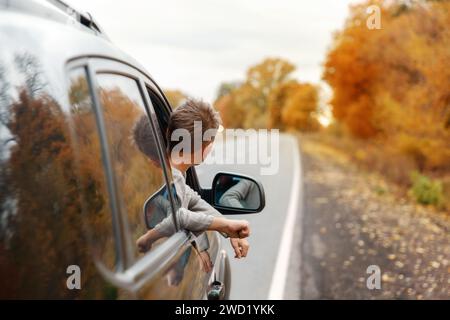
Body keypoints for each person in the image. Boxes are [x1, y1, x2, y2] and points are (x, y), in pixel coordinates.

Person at [133, 99, 250, 259]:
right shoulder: (171, 176)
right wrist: (226, 225)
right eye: (212, 141)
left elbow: (191, 199)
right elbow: (178, 216)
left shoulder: (178, 173)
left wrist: (229, 230)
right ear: (204, 147)